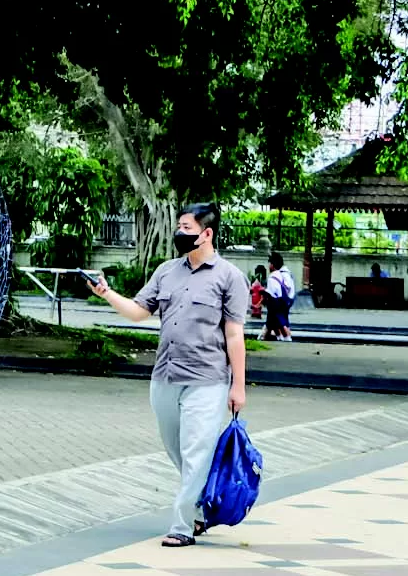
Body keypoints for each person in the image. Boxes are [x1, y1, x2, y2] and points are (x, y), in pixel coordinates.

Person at [88, 203, 249, 547]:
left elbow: (235, 335)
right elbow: (138, 312)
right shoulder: (166, 272)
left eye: (187, 227)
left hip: (207, 379)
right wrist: (107, 293)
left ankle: (182, 525)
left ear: (207, 233)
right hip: (165, 376)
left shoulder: (229, 277)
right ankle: (202, 509)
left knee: (196, 451)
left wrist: (238, 386)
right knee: (179, 451)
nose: (180, 233)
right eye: (179, 226)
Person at [263, 253, 294, 341]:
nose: (268, 266)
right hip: (284, 299)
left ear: (273, 265)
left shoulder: (276, 275)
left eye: (270, 264)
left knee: (280, 321)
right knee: (275, 321)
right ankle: (277, 337)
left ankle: (286, 338)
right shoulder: (284, 273)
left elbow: (274, 290)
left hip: (277, 300)